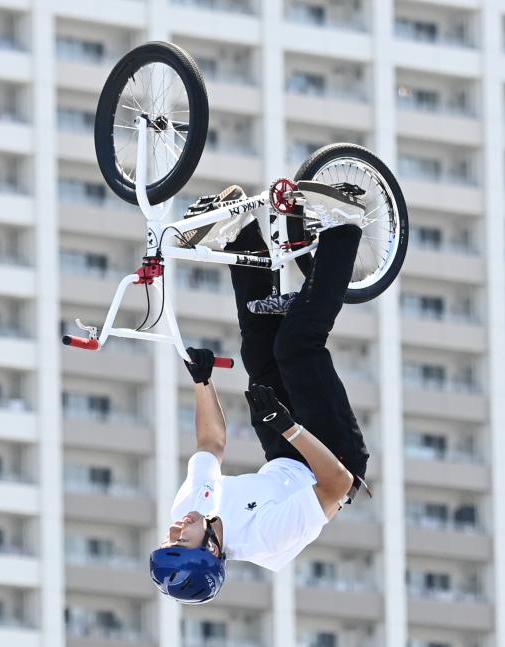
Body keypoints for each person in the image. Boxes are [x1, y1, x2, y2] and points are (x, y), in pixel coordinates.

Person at [148, 182, 372, 604]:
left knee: (257, 346)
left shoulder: (188, 509)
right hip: (333, 458)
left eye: (167, 538)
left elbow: (211, 445)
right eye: (181, 540)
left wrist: (202, 381)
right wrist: (289, 429)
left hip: (283, 448)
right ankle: (345, 225)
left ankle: (242, 235)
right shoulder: (266, 541)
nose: (175, 529)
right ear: (212, 550)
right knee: (297, 346)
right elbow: (337, 485)